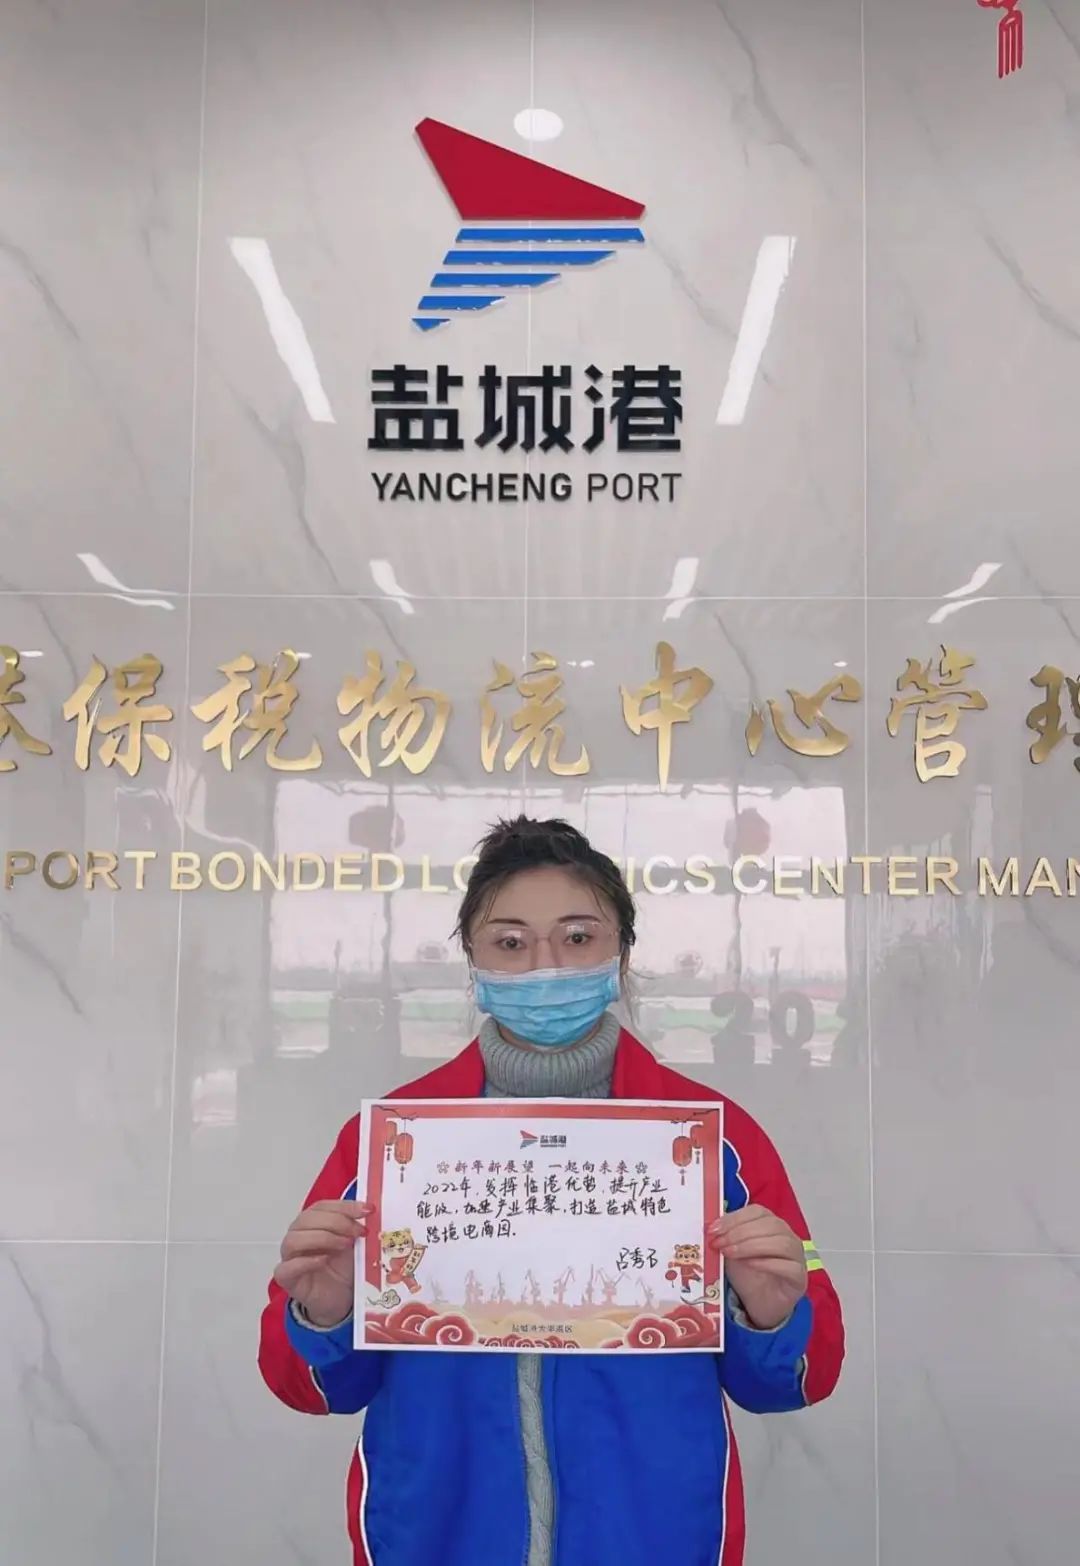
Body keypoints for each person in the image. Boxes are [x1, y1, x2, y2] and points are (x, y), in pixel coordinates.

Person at [259, 816, 844, 1566]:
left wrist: (770, 1315)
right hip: (436, 1531)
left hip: (653, 1535)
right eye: (510, 942)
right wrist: (326, 1314)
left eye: (577, 937)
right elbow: (309, 1387)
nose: (545, 967)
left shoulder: (716, 1143)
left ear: (621, 953)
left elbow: (798, 1378)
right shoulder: (392, 1144)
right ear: (472, 959)